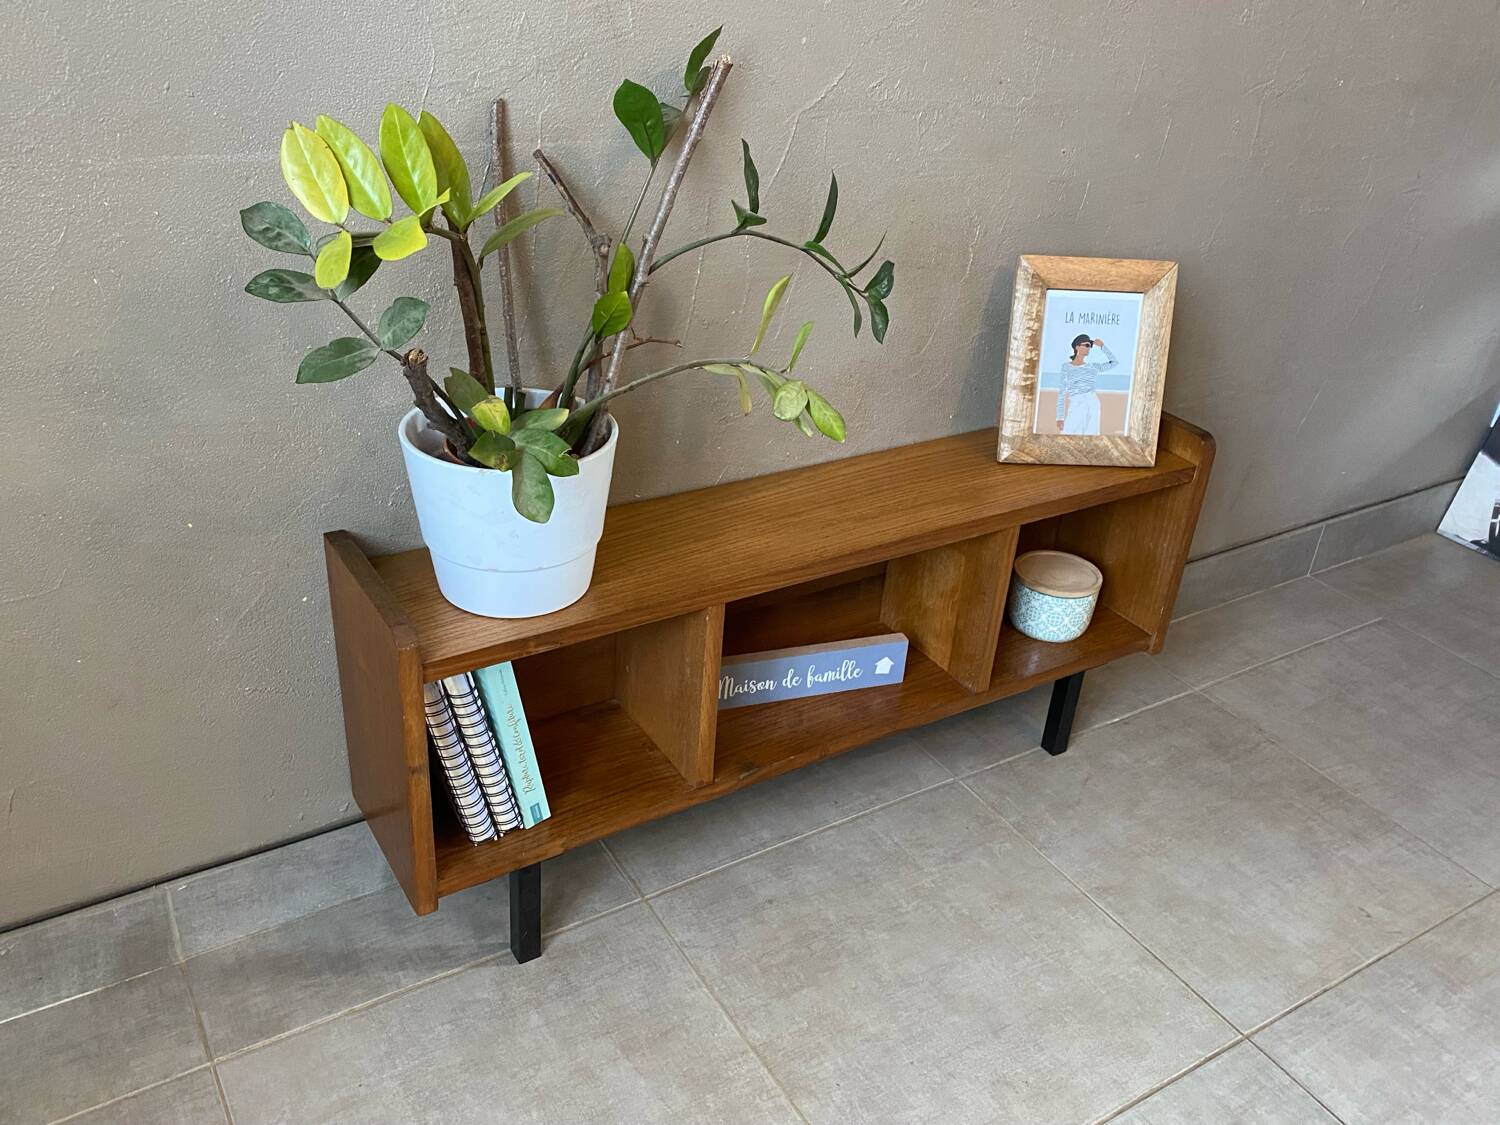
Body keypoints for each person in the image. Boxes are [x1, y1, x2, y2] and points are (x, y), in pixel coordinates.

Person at [1053, 334, 1116, 435]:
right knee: (1067, 434)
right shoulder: (1066, 367)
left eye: (1090, 346)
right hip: (1076, 402)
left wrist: (1103, 347)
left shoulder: (1092, 367)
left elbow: (1114, 363)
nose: (1089, 348)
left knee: (1091, 435)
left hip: (1092, 402)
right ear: (1077, 347)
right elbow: (1062, 393)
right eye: (1086, 345)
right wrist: (1060, 417)